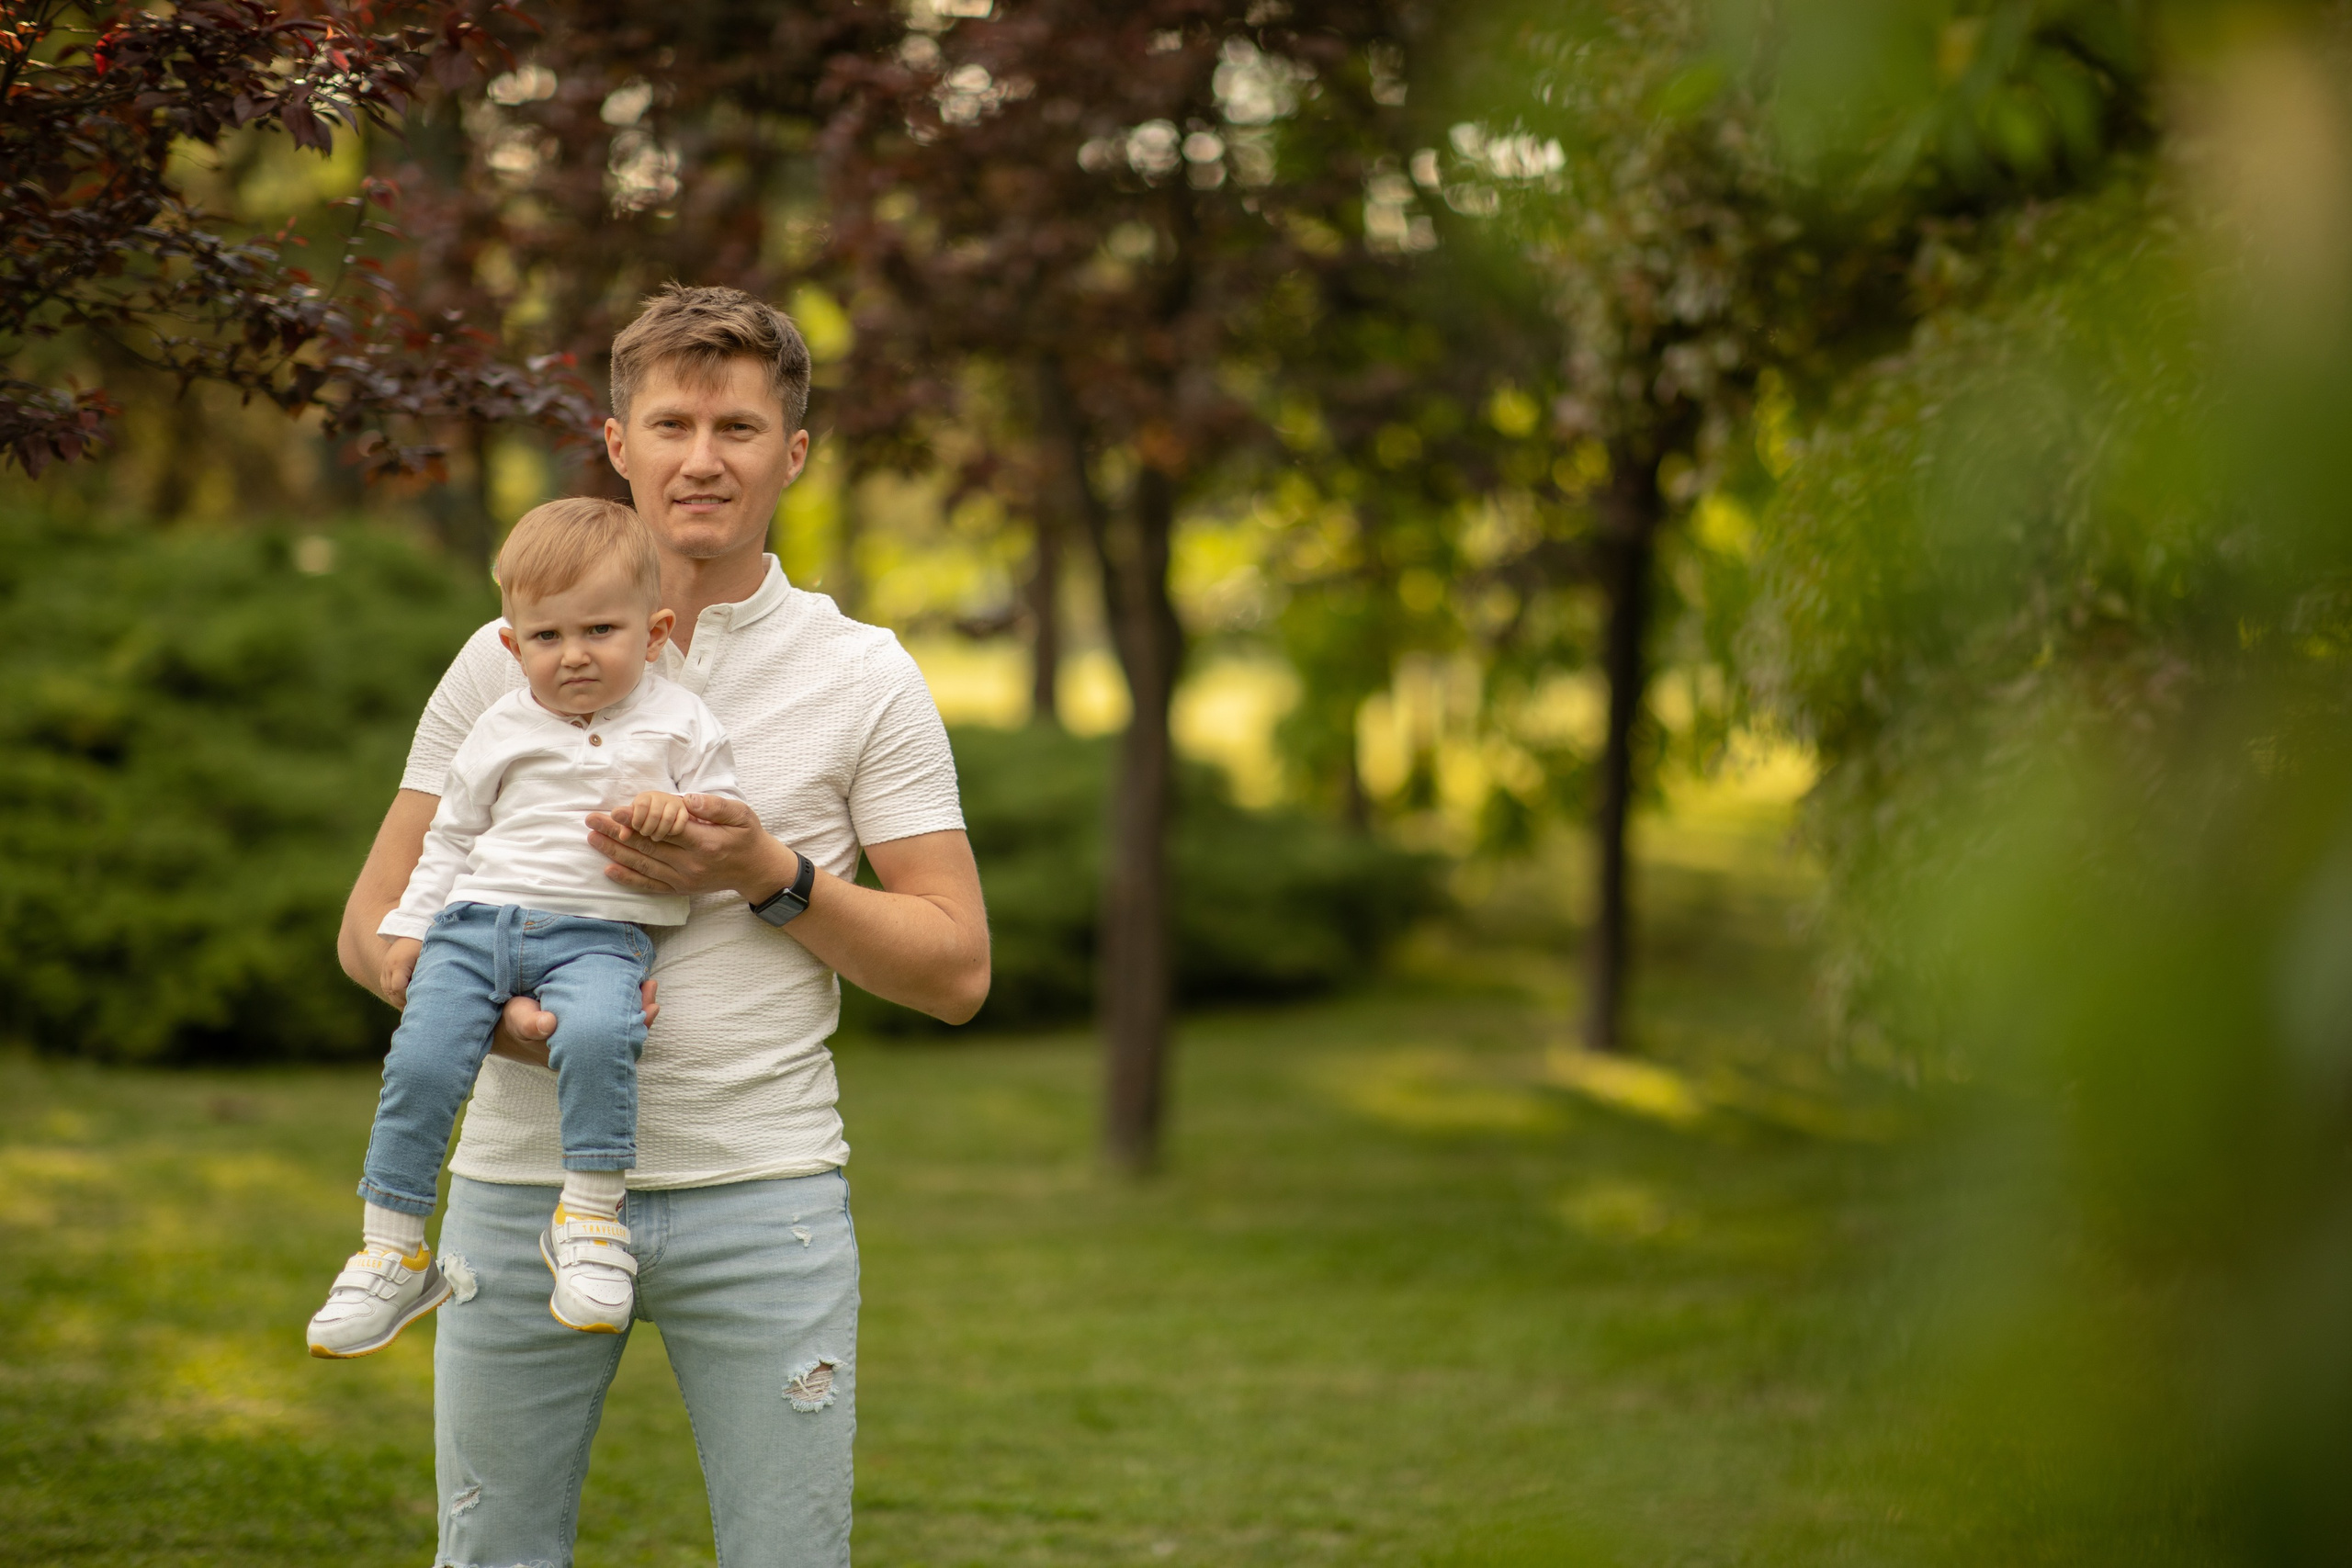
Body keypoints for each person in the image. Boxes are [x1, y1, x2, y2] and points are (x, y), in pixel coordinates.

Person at [335, 285, 990, 1568]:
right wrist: (496, 1017)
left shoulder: (863, 673)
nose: (703, 458)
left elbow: (957, 969)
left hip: (764, 1194)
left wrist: (765, 870)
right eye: (672, 424)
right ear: (617, 443)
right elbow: (372, 926)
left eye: (738, 428)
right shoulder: (504, 657)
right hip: (517, 1189)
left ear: (792, 454)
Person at [308, 497, 739, 1358]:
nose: (573, 654)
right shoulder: (500, 724)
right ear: (513, 647)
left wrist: (678, 810)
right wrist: (410, 929)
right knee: (422, 1061)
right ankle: (392, 1248)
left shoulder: (682, 721)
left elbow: (725, 819)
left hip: (599, 934)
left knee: (604, 1034)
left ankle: (590, 1223)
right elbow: (450, 835)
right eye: (547, 636)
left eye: (600, 630)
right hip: (474, 927)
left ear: (654, 633)